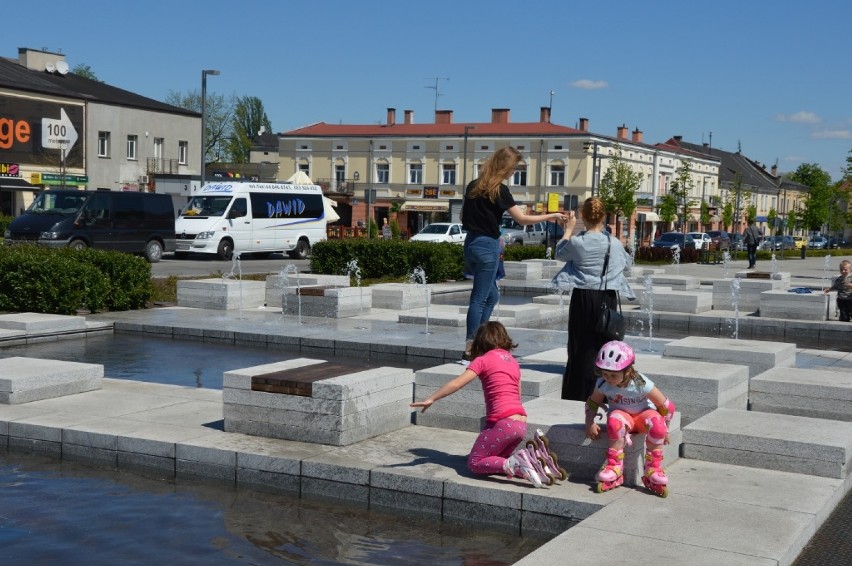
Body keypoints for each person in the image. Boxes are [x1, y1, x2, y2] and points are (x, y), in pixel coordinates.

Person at [410, 322, 564, 488]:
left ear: (481, 342)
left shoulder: (482, 360)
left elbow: (457, 384)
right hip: (520, 424)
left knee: (475, 462)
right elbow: (517, 396)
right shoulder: (513, 362)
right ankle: (532, 463)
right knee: (496, 462)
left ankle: (518, 462)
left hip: (504, 423)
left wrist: (431, 398)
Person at [460, 146, 567, 361]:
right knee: (479, 298)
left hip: (471, 243)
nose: (514, 173)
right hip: (487, 246)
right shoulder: (499, 190)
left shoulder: (474, 185)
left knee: (492, 295)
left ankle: (480, 341)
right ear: (505, 167)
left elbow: (463, 214)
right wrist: (550, 215)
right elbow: (522, 220)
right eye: (514, 169)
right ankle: (470, 350)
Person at [551, 197, 635, 401]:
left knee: (580, 347)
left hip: (583, 297)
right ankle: (606, 393)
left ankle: (578, 394)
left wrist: (568, 230)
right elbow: (628, 265)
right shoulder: (613, 243)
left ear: (582, 217)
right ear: (604, 216)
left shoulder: (578, 242)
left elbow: (559, 254)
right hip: (607, 297)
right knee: (605, 346)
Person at [585, 341, 676, 497]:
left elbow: (665, 405)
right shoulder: (603, 384)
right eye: (605, 374)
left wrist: (665, 428)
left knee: (658, 426)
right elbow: (593, 402)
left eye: (613, 375)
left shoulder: (640, 382)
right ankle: (615, 467)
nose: (609, 379)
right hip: (623, 417)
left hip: (643, 417)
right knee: (614, 422)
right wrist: (589, 423)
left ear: (627, 371)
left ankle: (653, 468)